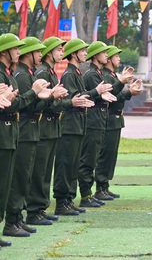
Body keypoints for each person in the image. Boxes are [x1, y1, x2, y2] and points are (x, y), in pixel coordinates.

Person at [28, 38, 93, 222]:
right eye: (57, 49)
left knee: (65, 166)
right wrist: (68, 101)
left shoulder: (57, 72)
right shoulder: (48, 73)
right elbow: (50, 103)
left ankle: (59, 202)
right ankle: (49, 205)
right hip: (56, 125)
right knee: (53, 168)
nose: (60, 52)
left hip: (58, 125)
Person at [0, 33, 53, 242]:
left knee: (18, 179)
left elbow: (19, 102)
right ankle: (12, 221)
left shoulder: (10, 74)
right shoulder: (12, 74)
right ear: (5, 51)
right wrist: (32, 93)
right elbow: (15, 104)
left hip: (13, 131)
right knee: (11, 181)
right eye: (15, 48)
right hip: (10, 131)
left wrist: (44, 96)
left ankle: (15, 218)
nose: (18, 52)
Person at [53, 38, 113, 216]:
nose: (86, 53)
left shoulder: (77, 73)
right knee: (66, 165)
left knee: (73, 165)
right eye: (82, 51)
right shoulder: (70, 74)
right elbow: (74, 98)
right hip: (70, 125)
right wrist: (96, 92)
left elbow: (80, 96)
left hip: (78, 124)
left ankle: (68, 200)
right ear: (74, 54)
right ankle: (62, 201)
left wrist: (96, 92)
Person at [96, 45, 141, 201]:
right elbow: (114, 95)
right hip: (109, 118)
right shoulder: (106, 76)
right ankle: (100, 187)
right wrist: (128, 90)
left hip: (116, 119)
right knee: (105, 154)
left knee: (111, 155)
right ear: (108, 58)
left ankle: (105, 186)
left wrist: (129, 89)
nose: (119, 58)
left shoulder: (113, 75)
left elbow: (118, 93)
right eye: (116, 56)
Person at [79, 41, 117, 208]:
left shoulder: (98, 73)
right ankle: (86, 194)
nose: (106, 56)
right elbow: (92, 96)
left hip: (99, 120)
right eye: (103, 53)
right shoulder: (91, 74)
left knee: (93, 158)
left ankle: (90, 193)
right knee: (88, 159)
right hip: (93, 120)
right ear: (95, 55)